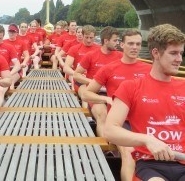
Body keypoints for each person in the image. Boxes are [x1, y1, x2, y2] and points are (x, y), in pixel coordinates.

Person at [105, 24, 185, 181]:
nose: (179, 59)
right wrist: (147, 139)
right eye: (173, 53)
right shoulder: (131, 87)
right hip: (150, 165)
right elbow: (110, 130)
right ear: (155, 53)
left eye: (181, 53)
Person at [79, 29, 151, 181]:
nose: (135, 47)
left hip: (144, 122)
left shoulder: (149, 70)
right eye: (130, 43)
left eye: (138, 44)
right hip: (120, 123)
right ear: (122, 45)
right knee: (130, 153)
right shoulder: (109, 68)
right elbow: (86, 93)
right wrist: (107, 100)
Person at [73, 26, 122, 137]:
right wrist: (93, 81)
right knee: (102, 115)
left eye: (118, 40)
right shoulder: (91, 55)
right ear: (106, 41)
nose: (117, 43)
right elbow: (76, 74)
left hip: (115, 93)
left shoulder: (121, 56)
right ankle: (106, 148)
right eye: (115, 40)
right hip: (96, 93)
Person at [0, 24, 21, 92]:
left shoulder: (9, 47)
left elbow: (17, 65)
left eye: (0, 38)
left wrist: (8, 75)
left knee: (0, 89)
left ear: (3, 36)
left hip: (6, 74)